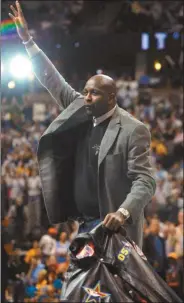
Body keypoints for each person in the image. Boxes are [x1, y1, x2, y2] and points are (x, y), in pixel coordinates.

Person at [9, 1, 156, 248]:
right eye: (85, 91)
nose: (86, 97)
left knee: (109, 289)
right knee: (78, 288)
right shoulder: (81, 108)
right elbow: (53, 81)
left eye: (94, 93)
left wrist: (123, 212)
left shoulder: (134, 129)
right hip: (84, 225)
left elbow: (145, 181)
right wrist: (28, 42)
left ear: (111, 98)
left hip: (116, 232)